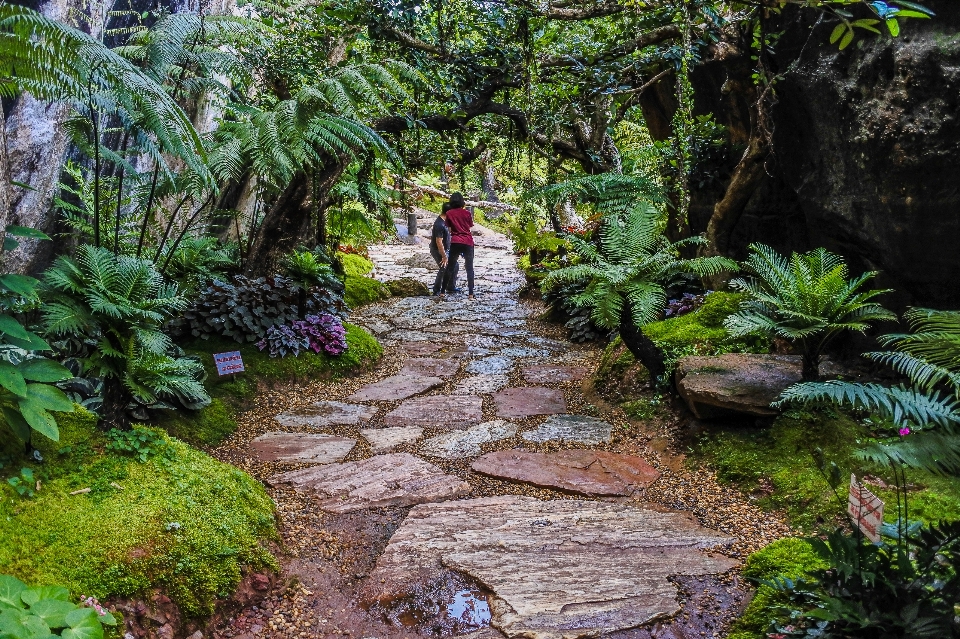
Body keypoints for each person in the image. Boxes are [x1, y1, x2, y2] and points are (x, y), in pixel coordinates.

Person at [443, 192, 476, 299]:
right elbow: (470, 226)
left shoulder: (449, 213)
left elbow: (448, 227)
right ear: (462, 201)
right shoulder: (467, 213)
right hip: (467, 242)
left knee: (450, 267)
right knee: (469, 268)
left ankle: (442, 292)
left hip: (455, 241)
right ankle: (470, 294)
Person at [430, 203, 455, 296]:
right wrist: (444, 256)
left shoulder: (445, 221)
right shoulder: (439, 224)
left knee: (455, 266)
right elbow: (439, 242)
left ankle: (451, 287)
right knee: (444, 268)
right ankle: (436, 290)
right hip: (438, 250)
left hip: (447, 248)